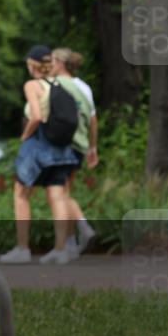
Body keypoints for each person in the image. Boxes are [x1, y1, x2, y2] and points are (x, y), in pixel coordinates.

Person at [0, 46, 79, 265]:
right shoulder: (58, 85)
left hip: (39, 146)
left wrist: (24, 137)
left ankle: (23, 248)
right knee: (57, 195)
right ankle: (61, 250)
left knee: (21, 194)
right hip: (61, 148)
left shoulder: (32, 85)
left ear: (32, 65)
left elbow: (35, 116)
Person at [50, 48, 98, 259]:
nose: (50, 64)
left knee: (59, 194)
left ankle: (82, 227)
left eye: (52, 60)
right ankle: (70, 243)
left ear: (60, 63)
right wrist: (92, 147)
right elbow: (93, 120)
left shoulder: (57, 85)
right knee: (65, 191)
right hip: (79, 144)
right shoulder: (84, 88)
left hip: (61, 144)